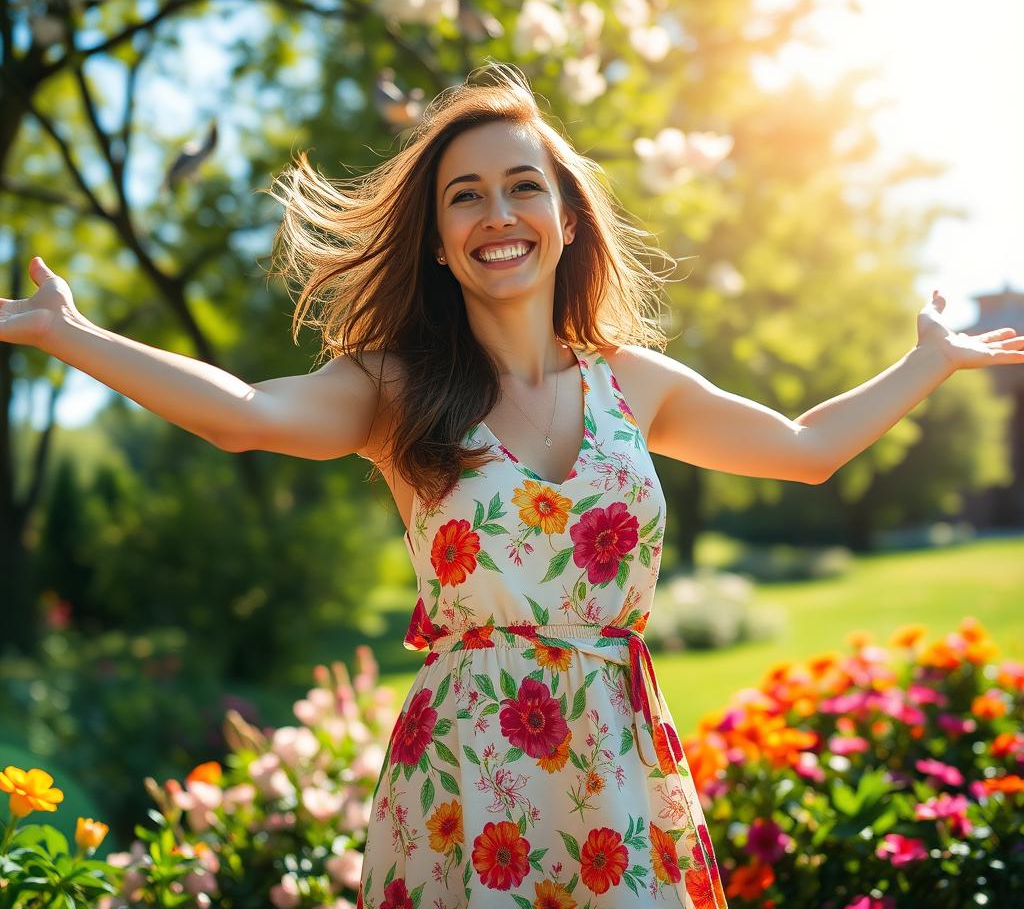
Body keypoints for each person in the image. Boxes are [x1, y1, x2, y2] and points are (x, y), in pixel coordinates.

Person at [2, 63, 1021, 909]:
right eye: (466, 195)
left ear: (568, 216)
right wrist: (69, 334)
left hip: (620, 768)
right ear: (441, 242)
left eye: (523, 185)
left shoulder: (630, 380)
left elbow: (803, 445)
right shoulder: (393, 389)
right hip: (465, 780)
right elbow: (243, 413)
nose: (498, 213)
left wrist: (924, 359)